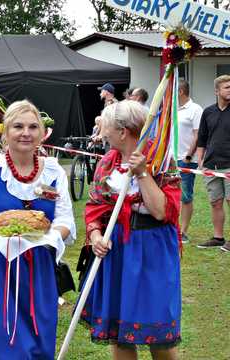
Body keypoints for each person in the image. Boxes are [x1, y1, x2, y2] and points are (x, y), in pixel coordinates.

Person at [0, 100, 75, 359]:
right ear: (5, 132)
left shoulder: (54, 173)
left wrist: (47, 237)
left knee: (37, 342)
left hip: (38, 271)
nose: (26, 132)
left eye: (33, 127)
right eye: (18, 126)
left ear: (42, 134)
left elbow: (65, 221)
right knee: (1, 346)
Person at [81, 100, 181, 358]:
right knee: (120, 333)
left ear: (123, 131)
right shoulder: (108, 162)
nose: (103, 133)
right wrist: (95, 235)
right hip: (118, 250)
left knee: (159, 335)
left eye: (108, 128)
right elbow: (95, 206)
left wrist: (142, 174)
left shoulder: (160, 159)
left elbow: (162, 211)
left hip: (152, 250)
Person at [196, 75, 230, 251]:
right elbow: (202, 138)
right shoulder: (208, 112)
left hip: (229, 165)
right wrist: (201, 160)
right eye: (226, 87)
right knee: (215, 202)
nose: (229, 90)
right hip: (211, 165)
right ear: (217, 91)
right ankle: (218, 238)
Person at [176, 80, 203, 243]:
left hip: (185, 160)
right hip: (171, 159)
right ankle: (173, 227)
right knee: (170, 194)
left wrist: (188, 156)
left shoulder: (195, 109)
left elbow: (197, 134)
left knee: (185, 196)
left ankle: (183, 231)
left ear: (180, 92)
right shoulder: (173, 110)